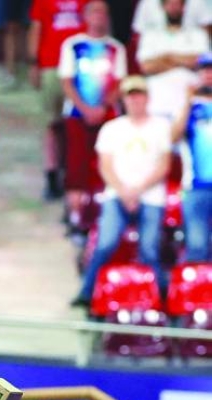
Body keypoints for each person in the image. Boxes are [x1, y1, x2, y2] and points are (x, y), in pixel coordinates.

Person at [72, 75, 172, 304]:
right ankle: (86, 292)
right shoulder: (112, 129)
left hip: (151, 196)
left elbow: (163, 165)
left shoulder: (160, 127)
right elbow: (105, 166)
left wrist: (138, 190)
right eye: (131, 95)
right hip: (117, 195)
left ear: (147, 98)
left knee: (149, 248)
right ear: (124, 100)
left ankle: (161, 295)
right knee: (105, 243)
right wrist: (124, 191)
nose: (135, 100)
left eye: (139, 95)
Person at [58, 0, 126, 233]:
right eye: (94, 11)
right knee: (76, 166)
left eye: (103, 12)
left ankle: (103, 216)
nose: (99, 16)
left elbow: (119, 84)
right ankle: (75, 217)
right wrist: (86, 109)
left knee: (106, 165)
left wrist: (101, 108)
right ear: (85, 16)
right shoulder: (72, 45)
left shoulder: (116, 48)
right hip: (77, 115)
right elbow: (66, 82)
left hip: (107, 117)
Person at [28, 0, 85, 199]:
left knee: (75, 123)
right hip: (51, 63)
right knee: (52, 123)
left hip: (82, 65)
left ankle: (72, 171)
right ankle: (52, 174)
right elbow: (37, 27)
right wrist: (34, 61)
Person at [137, 0, 210, 122]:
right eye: (170, 4)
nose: (174, 8)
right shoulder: (150, 36)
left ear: (184, 7)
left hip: (191, 101)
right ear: (163, 7)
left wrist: (168, 57)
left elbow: (200, 61)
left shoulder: (198, 35)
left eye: (178, 4)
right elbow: (146, 66)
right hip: (158, 100)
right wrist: (183, 61)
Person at [171, 50, 212, 258]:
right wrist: (188, 101)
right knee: (197, 245)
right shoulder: (190, 108)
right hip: (195, 188)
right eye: (204, 70)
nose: (208, 74)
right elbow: (173, 137)